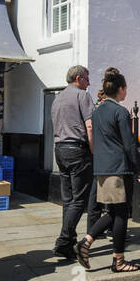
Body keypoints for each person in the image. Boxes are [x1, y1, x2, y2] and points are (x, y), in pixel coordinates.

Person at [76, 69, 140, 272]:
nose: (126, 92)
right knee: (120, 215)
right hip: (119, 169)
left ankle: (87, 242)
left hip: (102, 169)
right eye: (125, 88)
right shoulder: (121, 112)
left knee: (115, 212)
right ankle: (118, 261)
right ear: (120, 89)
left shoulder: (97, 111)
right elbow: (129, 145)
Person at [50, 65, 96, 261]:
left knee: (69, 200)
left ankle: (67, 244)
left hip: (60, 149)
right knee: (79, 200)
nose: (89, 82)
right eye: (87, 78)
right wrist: (95, 152)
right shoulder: (82, 95)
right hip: (78, 150)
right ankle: (63, 241)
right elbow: (90, 125)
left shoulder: (57, 97)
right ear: (78, 78)